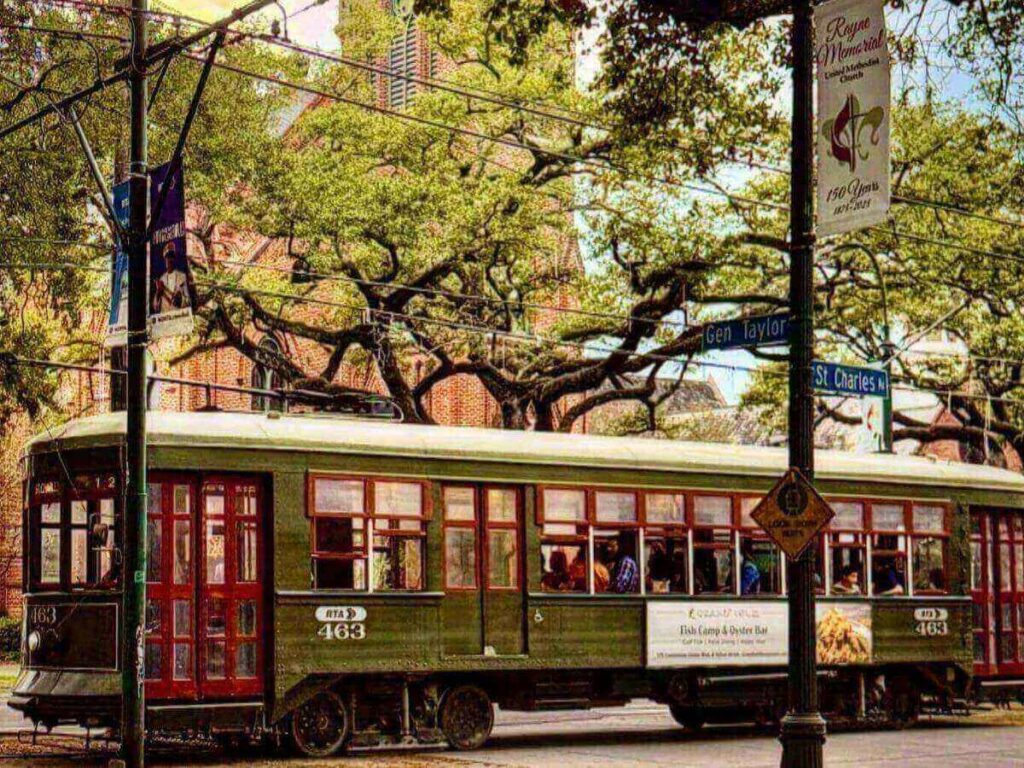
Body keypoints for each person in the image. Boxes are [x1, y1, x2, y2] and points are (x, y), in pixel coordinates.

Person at [152, 242, 190, 313]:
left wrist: (181, 301)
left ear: (174, 258)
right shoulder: (161, 279)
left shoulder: (182, 276)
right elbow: (155, 307)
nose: (170, 260)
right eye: (168, 257)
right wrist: (158, 293)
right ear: (165, 259)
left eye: (171, 256)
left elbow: (188, 301)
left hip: (179, 319)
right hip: (165, 321)